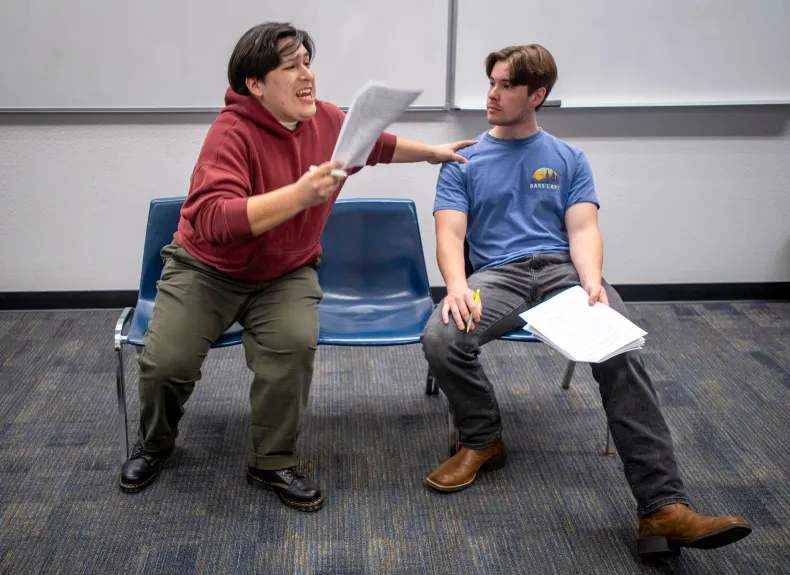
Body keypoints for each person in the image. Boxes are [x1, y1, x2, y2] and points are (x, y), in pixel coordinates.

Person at [119, 21, 475, 512]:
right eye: (291, 66)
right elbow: (213, 217)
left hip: (285, 273)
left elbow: (377, 145)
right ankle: (156, 443)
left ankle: (272, 460)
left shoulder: (326, 121)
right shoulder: (231, 133)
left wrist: (434, 153)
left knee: (292, 346)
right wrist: (297, 196)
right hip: (207, 270)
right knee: (166, 364)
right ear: (256, 84)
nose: (307, 74)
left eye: (308, 62)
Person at [420, 43, 752, 559]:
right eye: (491, 82)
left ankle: (662, 507)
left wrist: (593, 280)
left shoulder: (568, 158)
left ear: (537, 95)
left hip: (561, 273)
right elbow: (449, 233)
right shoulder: (464, 159)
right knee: (440, 337)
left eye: (506, 85)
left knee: (622, 349)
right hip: (497, 276)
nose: (492, 93)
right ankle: (483, 439)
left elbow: (583, 228)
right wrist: (458, 285)